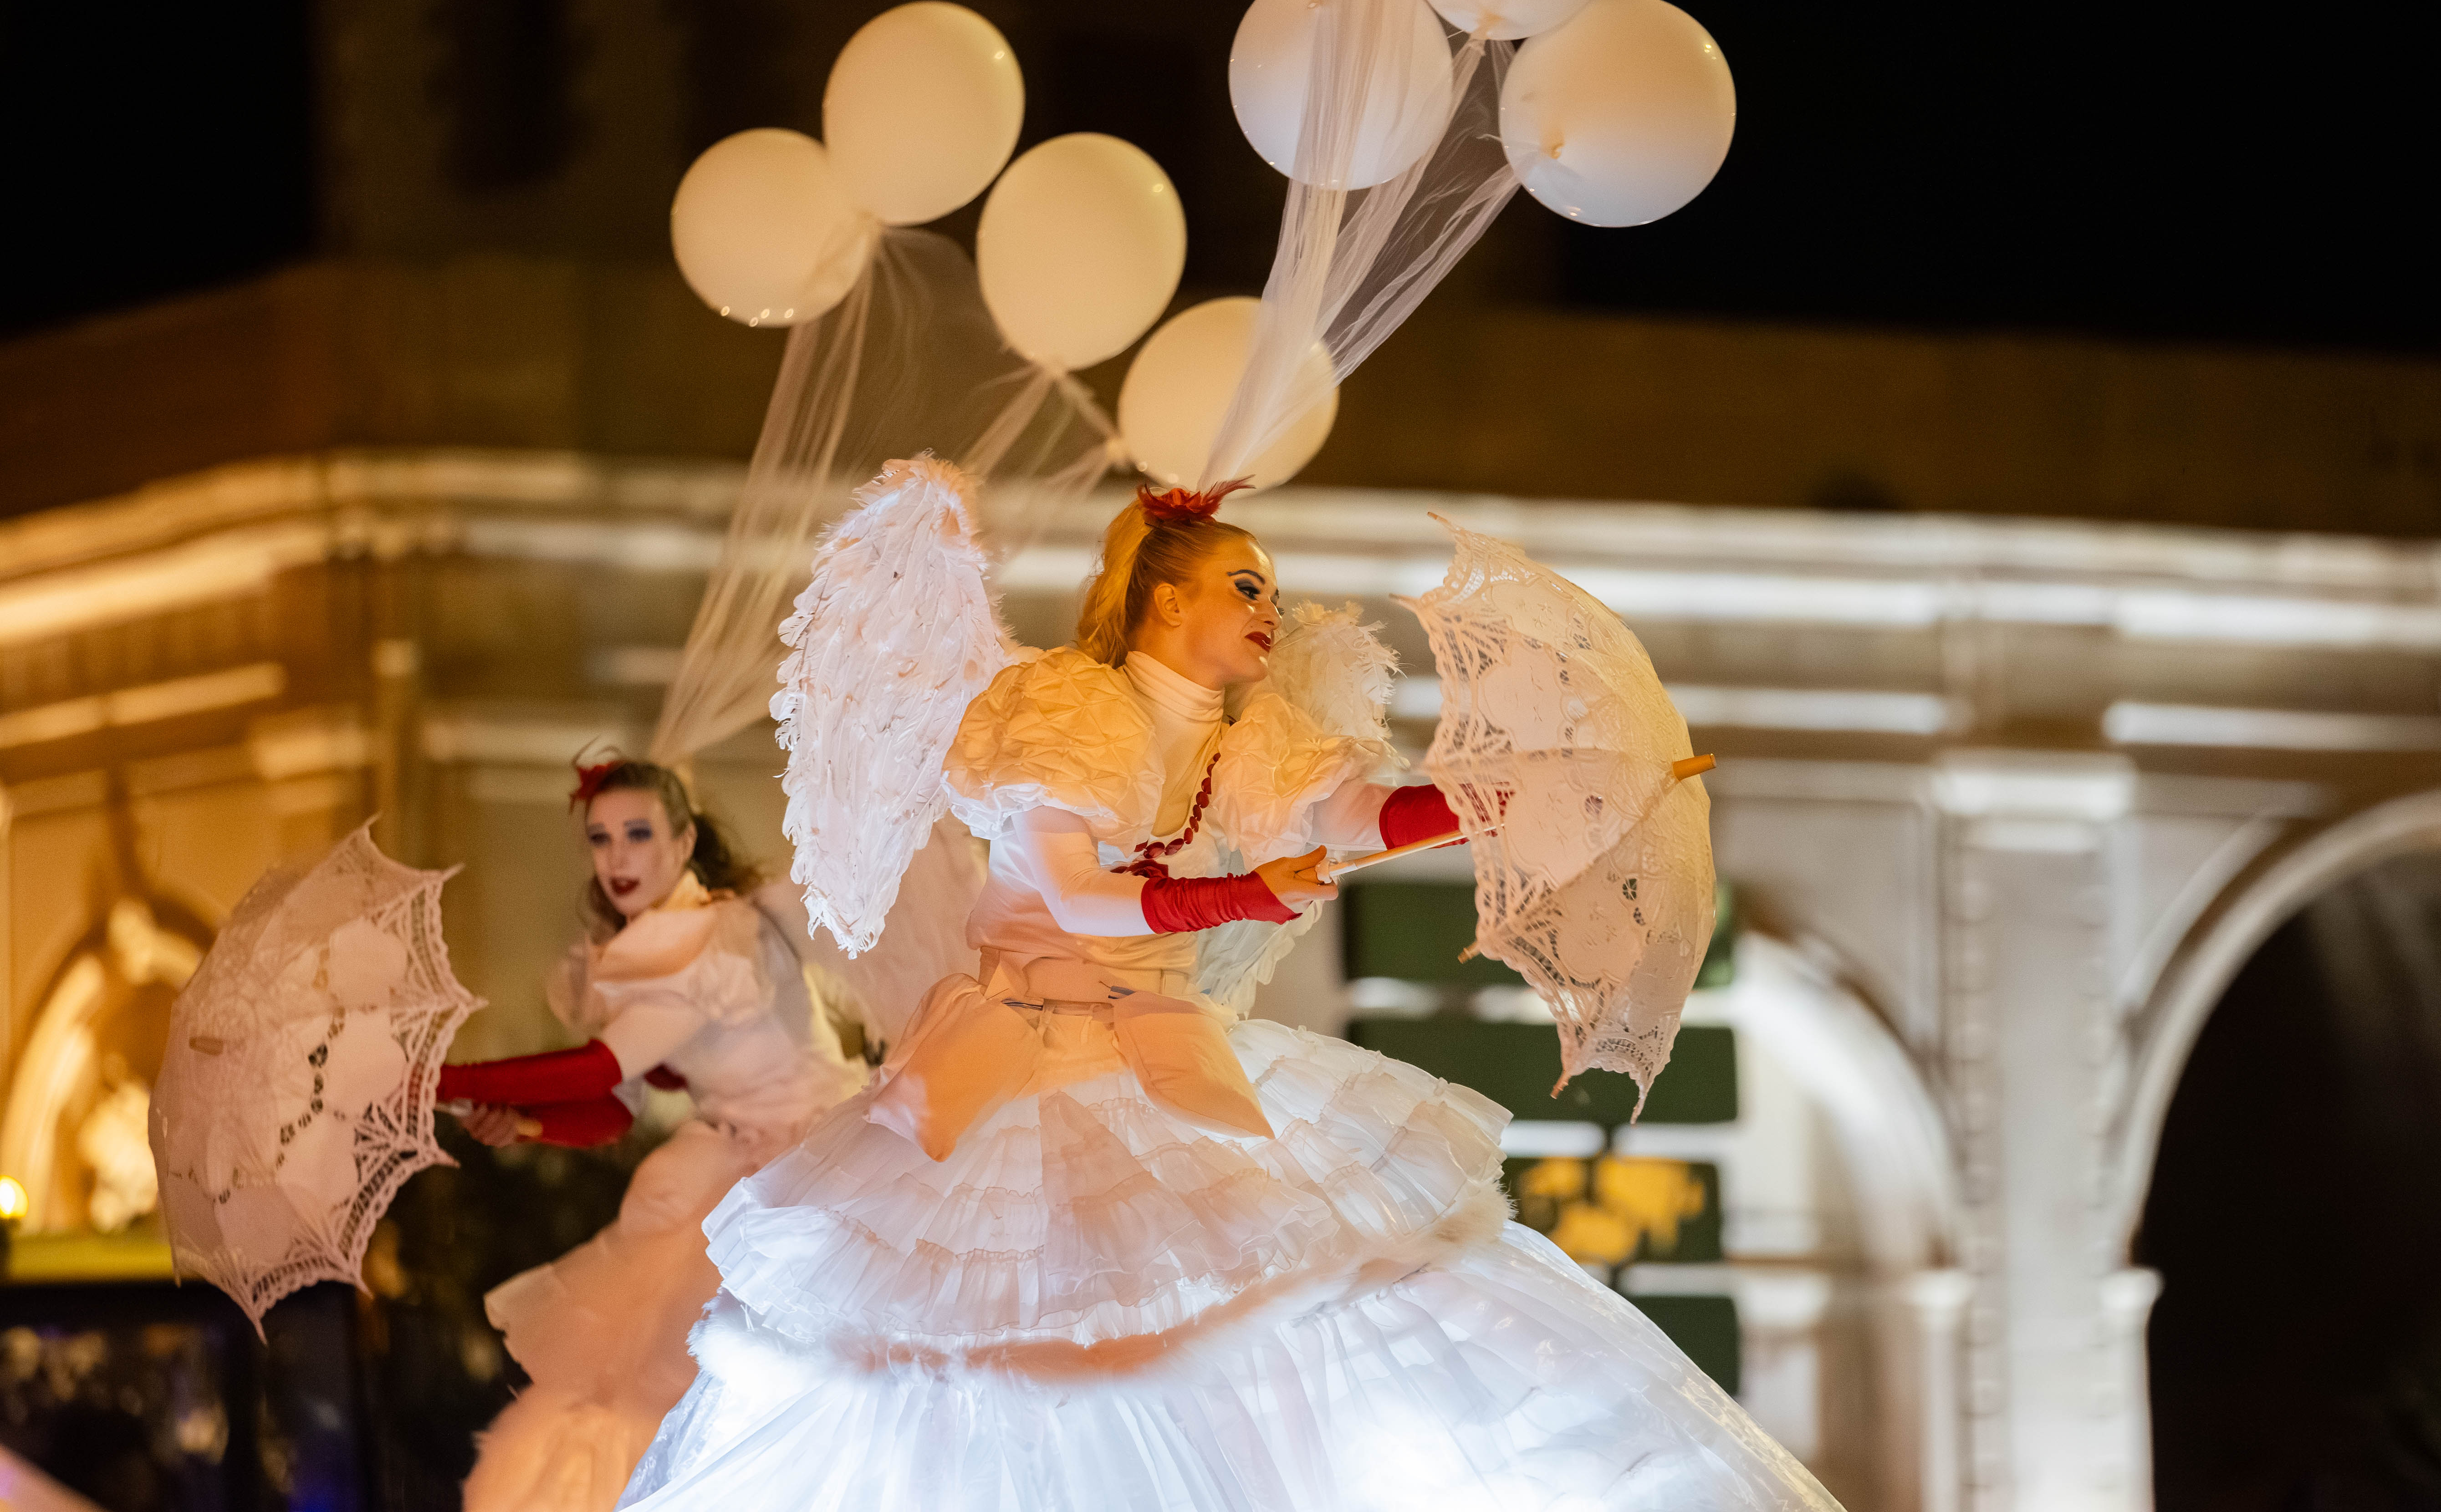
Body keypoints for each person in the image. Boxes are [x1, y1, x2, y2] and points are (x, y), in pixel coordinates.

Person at [618, 477, 1841, 1511]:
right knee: (999, 1369)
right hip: (1020, 1070)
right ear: (1168, 597)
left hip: (1166, 1058)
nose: (1272, 610)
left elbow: (1358, 818)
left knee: (1271, 1330)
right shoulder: (1070, 709)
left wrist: (1518, 795)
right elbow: (1080, 895)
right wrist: (1240, 896)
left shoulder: (1255, 747)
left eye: (1271, 588)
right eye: (1246, 585)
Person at [435, 759, 869, 1512]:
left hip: (817, 1166)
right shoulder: (639, 953)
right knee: (648, 1375)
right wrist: (528, 1124)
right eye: (601, 839)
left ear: (685, 840)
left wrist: (436, 1081)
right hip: (731, 1158)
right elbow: (616, 1104)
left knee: (762, 1379)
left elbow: (600, 1065)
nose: (618, 857)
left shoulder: (719, 937)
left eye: (638, 834)